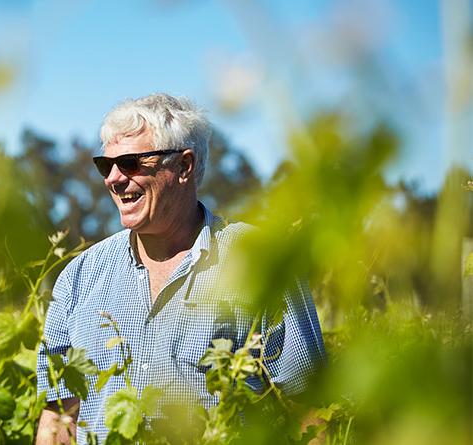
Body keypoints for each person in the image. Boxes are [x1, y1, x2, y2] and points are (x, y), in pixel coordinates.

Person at [35, 93, 327, 445]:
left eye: (129, 163)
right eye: (104, 165)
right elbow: (59, 420)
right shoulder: (79, 277)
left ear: (184, 167)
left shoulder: (259, 264)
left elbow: (311, 413)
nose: (113, 178)